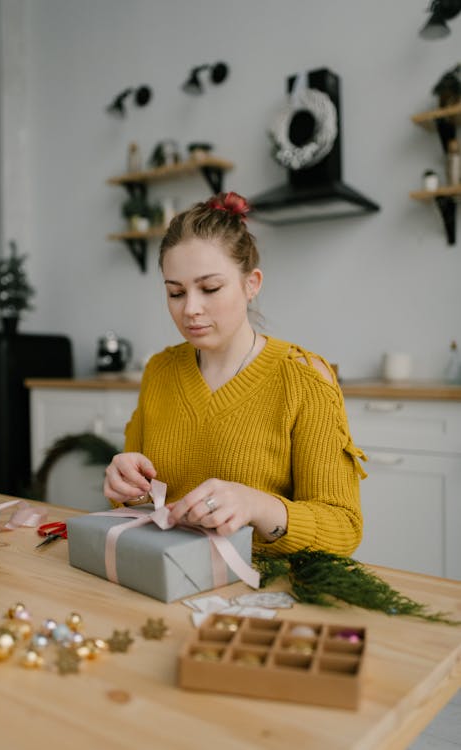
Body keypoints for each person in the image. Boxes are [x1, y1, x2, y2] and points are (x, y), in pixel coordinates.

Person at [104, 191, 367, 556]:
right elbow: (134, 507)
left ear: (251, 284)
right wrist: (123, 485)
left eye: (210, 288)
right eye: (176, 293)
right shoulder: (160, 370)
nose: (190, 309)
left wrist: (257, 505)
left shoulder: (305, 379)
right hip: (165, 580)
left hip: (263, 592)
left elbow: (344, 529)